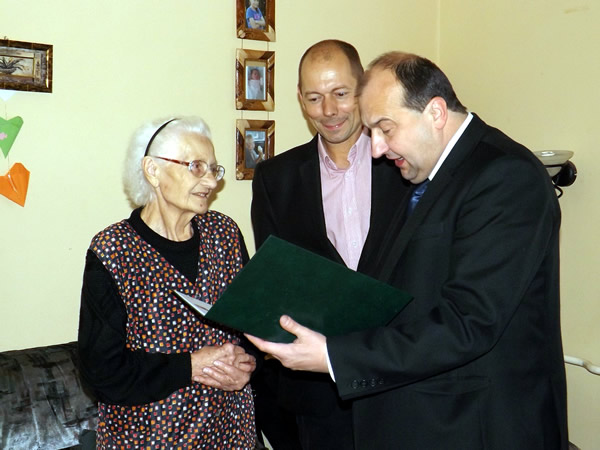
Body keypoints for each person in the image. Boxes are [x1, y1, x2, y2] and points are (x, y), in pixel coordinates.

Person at [247, 51, 569, 449]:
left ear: (435, 113)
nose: (376, 149)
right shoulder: (433, 173)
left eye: (385, 128)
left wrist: (334, 356)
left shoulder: (505, 176)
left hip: (479, 425)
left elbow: (468, 322)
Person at [250, 40, 408, 450]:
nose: (329, 110)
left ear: (363, 88)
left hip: (403, 379)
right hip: (319, 396)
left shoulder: (406, 163)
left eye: (340, 93)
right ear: (300, 99)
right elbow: (277, 282)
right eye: (314, 98)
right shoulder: (274, 179)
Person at [78, 117, 258, 449]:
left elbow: (253, 326)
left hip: (230, 434)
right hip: (148, 437)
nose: (210, 181)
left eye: (213, 169)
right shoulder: (113, 251)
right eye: (196, 167)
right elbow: (102, 372)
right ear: (153, 170)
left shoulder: (225, 235)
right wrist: (191, 365)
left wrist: (249, 363)